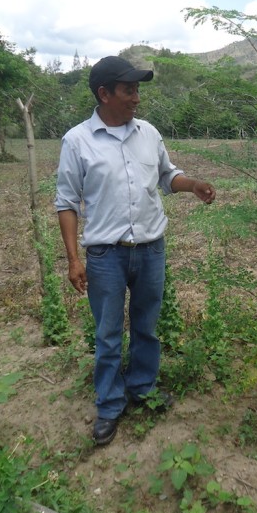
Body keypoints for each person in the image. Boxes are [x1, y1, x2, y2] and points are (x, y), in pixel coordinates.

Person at [55, 55, 216, 445]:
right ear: (104, 93)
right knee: (108, 334)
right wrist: (74, 259)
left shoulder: (148, 133)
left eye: (138, 89)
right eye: (129, 90)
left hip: (150, 250)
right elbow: (66, 202)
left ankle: (142, 388)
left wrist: (190, 183)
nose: (137, 98)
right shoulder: (77, 141)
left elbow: (167, 175)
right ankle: (109, 405)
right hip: (105, 256)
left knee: (146, 327)